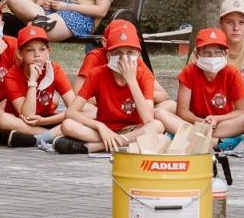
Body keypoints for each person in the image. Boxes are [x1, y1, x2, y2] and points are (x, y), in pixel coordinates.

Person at [56, 20, 168, 153]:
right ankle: (119, 144)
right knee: (67, 125)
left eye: (130, 53)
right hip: (104, 128)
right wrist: (99, 126)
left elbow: (148, 118)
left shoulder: (144, 76)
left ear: (138, 55)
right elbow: (71, 112)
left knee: (157, 126)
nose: (124, 59)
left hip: (133, 129)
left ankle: (99, 147)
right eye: (118, 53)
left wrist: (131, 81)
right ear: (108, 55)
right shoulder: (97, 74)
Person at [173, 27, 244, 150]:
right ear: (197, 54)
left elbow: (242, 110)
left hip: (223, 123)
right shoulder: (189, 71)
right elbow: (182, 111)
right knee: (160, 113)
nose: (212, 57)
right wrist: (200, 121)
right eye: (206, 53)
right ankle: (218, 142)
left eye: (217, 52)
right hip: (195, 122)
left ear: (226, 53)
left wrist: (217, 119)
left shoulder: (232, 73)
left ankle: (192, 137)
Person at [0, 25, 83, 149]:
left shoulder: (55, 70)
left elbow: (74, 109)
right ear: (20, 54)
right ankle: (55, 136)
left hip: (45, 120)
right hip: (21, 123)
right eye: (30, 50)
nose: (37, 55)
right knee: (4, 119)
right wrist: (33, 82)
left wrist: (44, 121)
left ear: (49, 52)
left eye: (42, 49)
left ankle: (38, 139)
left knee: (88, 113)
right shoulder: (12, 76)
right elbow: (28, 116)